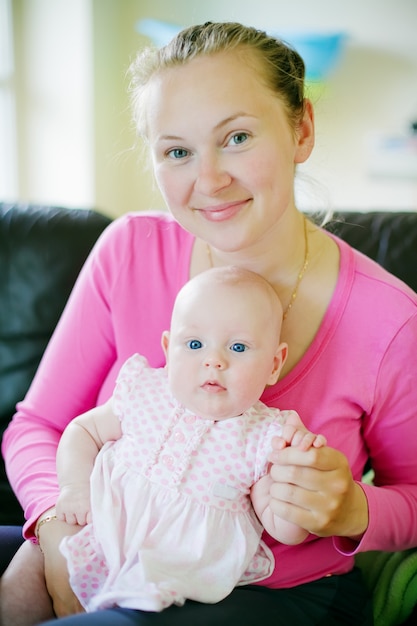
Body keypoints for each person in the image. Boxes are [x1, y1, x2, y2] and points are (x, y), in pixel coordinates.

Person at [1, 19, 417, 626]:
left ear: (301, 128)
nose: (210, 180)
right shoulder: (129, 252)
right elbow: (37, 425)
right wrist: (59, 531)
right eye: (177, 151)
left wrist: (353, 510)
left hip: (265, 593)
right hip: (107, 537)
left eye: (238, 137)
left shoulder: (389, 318)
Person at [52, 266, 326, 615]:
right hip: (95, 532)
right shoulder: (143, 391)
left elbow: (282, 526)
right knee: (20, 588)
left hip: (173, 574)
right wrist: (74, 487)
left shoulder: (264, 437)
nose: (214, 360)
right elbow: (82, 431)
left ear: (274, 364)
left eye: (238, 347)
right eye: (194, 344)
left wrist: (298, 481)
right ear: (169, 349)